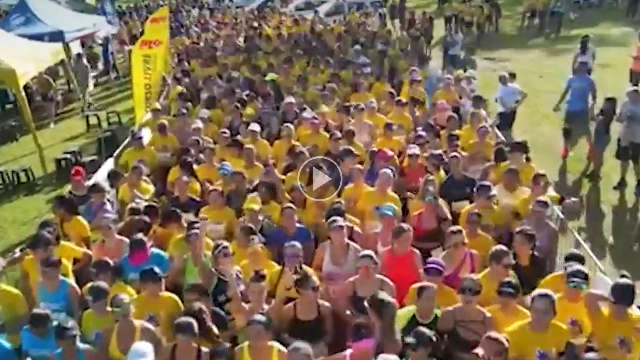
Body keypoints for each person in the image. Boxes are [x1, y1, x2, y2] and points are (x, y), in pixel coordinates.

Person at [505, 289, 571, 360]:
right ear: (530, 311)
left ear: (554, 314)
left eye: (545, 312)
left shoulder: (562, 332)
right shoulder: (513, 334)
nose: (539, 316)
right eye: (536, 311)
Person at [438, 275, 493, 360]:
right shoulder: (449, 314)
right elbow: (438, 345)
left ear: (480, 294)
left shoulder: (486, 318)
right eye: (463, 290)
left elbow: (490, 350)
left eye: (473, 291)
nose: (467, 295)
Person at [553, 61, 597, 159]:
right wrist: (558, 104)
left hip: (583, 109)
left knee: (585, 129)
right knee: (567, 129)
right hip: (571, 108)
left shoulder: (589, 80)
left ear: (586, 69)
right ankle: (565, 149)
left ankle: (591, 149)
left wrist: (592, 107)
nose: (580, 68)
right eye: (579, 66)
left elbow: (594, 95)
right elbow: (565, 92)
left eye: (583, 67)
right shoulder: (572, 79)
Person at [99, 294, 164, 360]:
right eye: (118, 307)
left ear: (132, 307)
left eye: (126, 305)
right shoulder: (107, 333)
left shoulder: (147, 330)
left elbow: (162, 356)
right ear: (112, 312)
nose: (124, 310)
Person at [380, 223, 424, 306]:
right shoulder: (384, 254)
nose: (409, 241)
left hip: (410, 299)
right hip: (390, 298)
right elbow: (379, 276)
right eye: (406, 239)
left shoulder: (415, 254)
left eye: (410, 238)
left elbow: (421, 277)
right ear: (395, 239)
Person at [613, 86, 640, 195]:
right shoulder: (625, 104)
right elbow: (619, 118)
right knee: (624, 160)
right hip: (625, 136)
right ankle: (622, 180)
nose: (629, 98)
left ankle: (639, 182)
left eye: (631, 96)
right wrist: (623, 118)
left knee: (635, 162)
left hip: (637, 138)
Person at [495, 72, 527, 142]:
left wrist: (516, 105)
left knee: (504, 130)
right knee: (500, 129)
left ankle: (509, 144)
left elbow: (524, 95)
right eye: (501, 79)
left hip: (508, 112)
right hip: (502, 111)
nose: (503, 80)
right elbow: (498, 99)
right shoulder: (501, 88)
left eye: (505, 78)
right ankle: (506, 143)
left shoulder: (514, 87)